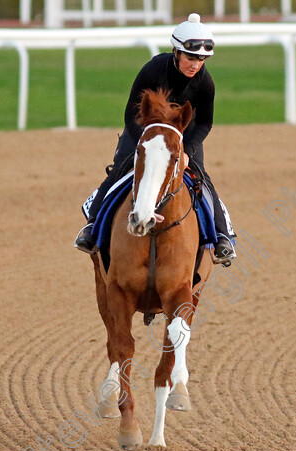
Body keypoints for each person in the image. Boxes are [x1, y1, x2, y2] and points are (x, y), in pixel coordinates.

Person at [74, 13, 236, 266]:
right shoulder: (153, 70)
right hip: (143, 131)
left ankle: (223, 236)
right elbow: (131, 112)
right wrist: (144, 143)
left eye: (202, 59)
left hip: (183, 136)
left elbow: (205, 123)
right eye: (191, 57)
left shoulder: (206, 83)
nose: (195, 65)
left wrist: (186, 150)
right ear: (176, 52)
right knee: (119, 172)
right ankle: (92, 227)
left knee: (201, 178)